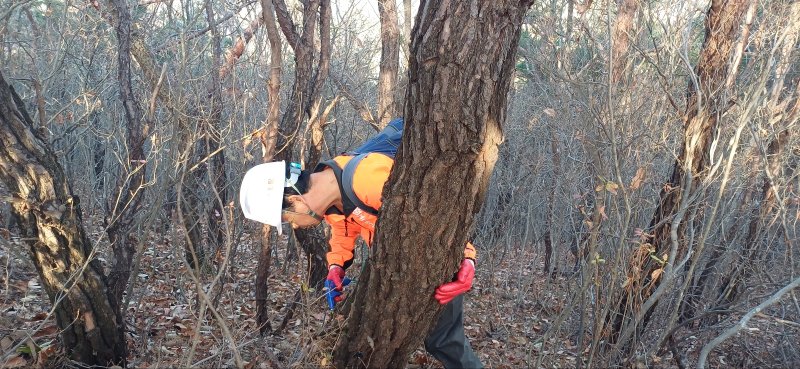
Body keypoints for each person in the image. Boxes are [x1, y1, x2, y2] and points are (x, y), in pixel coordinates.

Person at [239, 155, 483, 369]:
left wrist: (467, 257)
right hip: (402, 265)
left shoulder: (368, 179)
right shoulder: (331, 184)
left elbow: (439, 213)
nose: (292, 225)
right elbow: (342, 228)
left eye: (286, 219)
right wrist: (336, 267)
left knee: (443, 341)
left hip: (436, 263)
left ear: (295, 200)